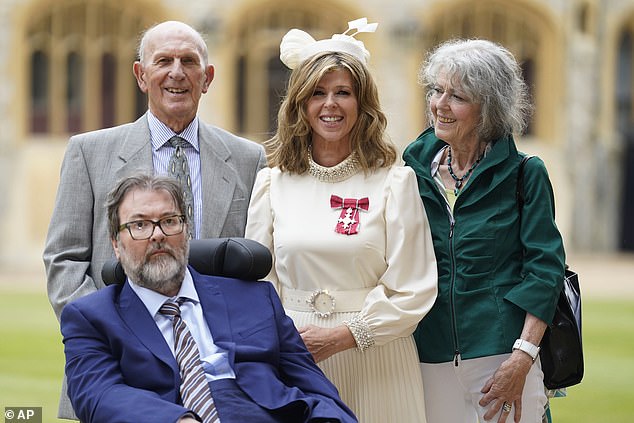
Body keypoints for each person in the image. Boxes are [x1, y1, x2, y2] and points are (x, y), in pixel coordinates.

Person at [43, 21, 266, 418]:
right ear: (141, 75)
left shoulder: (249, 159)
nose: (176, 72)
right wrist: (112, 334)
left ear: (208, 77)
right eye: (163, 61)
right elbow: (64, 260)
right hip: (118, 369)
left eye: (189, 61)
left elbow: (252, 267)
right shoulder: (89, 152)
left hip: (219, 374)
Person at [245, 19, 438, 422]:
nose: (330, 104)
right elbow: (258, 286)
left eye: (343, 93)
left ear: (362, 104)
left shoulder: (395, 182)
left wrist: (346, 335)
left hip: (379, 358)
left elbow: (414, 287)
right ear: (301, 104)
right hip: (295, 357)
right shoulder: (271, 184)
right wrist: (283, 342)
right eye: (318, 93)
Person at [60, 173, 357, 423]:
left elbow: (316, 389)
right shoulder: (92, 317)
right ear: (115, 243)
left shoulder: (255, 297)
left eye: (169, 221)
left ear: (186, 231)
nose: (157, 235)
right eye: (139, 225)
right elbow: (98, 395)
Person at [402, 38, 566, 423]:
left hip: (502, 356)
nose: (440, 104)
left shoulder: (526, 173)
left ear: (488, 108)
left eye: (457, 96)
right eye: (437, 90)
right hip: (429, 355)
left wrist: (522, 358)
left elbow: (545, 271)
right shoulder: (411, 170)